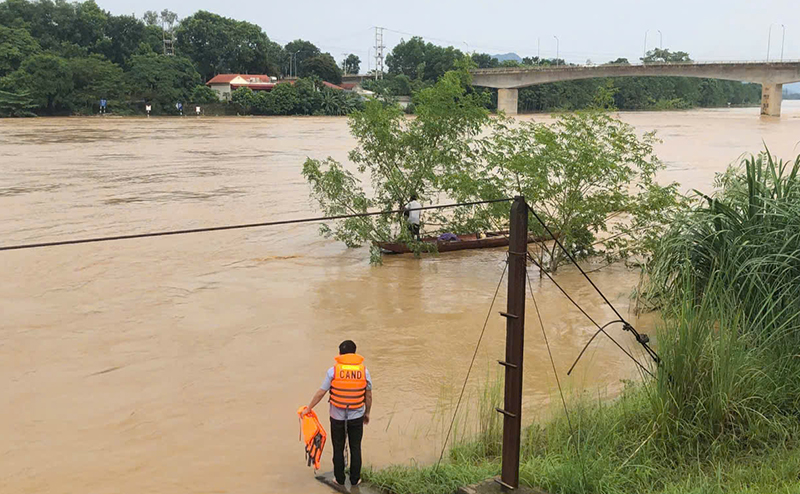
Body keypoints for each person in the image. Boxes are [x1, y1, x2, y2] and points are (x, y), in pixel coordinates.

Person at [305, 340, 372, 486]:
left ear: (340, 354)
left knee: (338, 447)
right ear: (355, 353)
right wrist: (367, 414)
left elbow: (321, 392)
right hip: (356, 417)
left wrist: (309, 408)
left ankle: (339, 479)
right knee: (355, 447)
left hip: (337, 418)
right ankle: (355, 480)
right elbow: (368, 396)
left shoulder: (333, 371)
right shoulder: (364, 371)